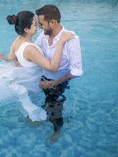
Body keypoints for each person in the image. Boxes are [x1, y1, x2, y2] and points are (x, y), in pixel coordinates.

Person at [35, 5, 83, 142]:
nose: (40, 27)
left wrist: (53, 83)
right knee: (48, 100)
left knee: (55, 110)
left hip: (59, 81)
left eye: (42, 24)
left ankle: (57, 131)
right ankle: (43, 112)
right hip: (44, 77)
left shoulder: (71, 40)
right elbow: (35, 53)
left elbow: (76, 71)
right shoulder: (43, 35)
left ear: (53, 23)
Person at [0, 11, 74, 71]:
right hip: (37, 83)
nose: (38, 26)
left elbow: (11, 59)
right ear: (26, 29)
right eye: (35, 24)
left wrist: (5, 58)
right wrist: (60, 42)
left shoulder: (17, 40)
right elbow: (52, 68)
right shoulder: (30, 49)